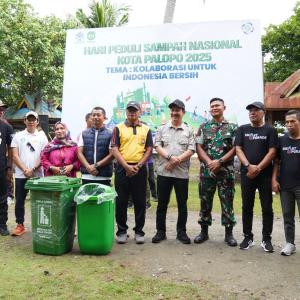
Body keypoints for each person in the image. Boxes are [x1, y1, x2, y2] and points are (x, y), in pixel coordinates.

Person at [194, 98, 238, 246]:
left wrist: (219, 162)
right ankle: (204, 232)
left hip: (226, 173)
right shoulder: (203, 126)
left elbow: (235, 148)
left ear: (224, 107)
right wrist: (209, 162)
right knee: (205, 202)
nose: (214, 108)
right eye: (212, 106)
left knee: (227, 202)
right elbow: (199, 147)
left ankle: (229, 234)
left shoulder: (232, 127)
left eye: (217, 105)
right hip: (207, 173)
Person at [235, 101, 278, 252]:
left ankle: (266, 239)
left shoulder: (270, 130)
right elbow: (238, 149)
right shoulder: (242, 129)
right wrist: (248, 166)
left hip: (264, 175)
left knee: (267, 207)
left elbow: (272, 152)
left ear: (263, 112)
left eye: (256, 110)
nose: (252, 113)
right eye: (250, 111)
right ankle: (248, 237)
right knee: (247, 206)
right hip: (247, 175)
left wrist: (258, 168)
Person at [152, 99, 195, 244]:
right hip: (164, 172)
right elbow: (157, 146)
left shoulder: (189, 130)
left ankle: (181, 233)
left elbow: (191, 149)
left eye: (178, 110)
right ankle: (160, 232)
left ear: (183, 112)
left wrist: (176, 161)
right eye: (172, 110)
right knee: (162, 204)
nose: (174, 113)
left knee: (182, 204)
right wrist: (170, 158)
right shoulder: (161, 129)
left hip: (181, 174)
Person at [111, 101, 153, 244]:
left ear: (140, 112)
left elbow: (149, 149)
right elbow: (115, 148)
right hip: (122, 169)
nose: (132, 113)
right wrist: (126, 166)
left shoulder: (146, 129)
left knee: (140, 201)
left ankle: (139, 231)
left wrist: (139, 165)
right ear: (126, 112)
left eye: (134, 110)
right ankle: (122, 231)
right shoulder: (118, 128)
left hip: (140, 169)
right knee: (121, 201)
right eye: (129, 110)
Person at [11, 111, 48, 236]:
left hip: (37, 174)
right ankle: (20, 224)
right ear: (24, 121)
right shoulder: (18, 136)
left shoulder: (42, 137)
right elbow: (14, 155)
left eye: (34, 119)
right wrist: (25, 169)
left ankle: (40, 225)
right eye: (29, 119)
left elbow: (44, 155)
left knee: (40, 201)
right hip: (21, 175)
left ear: (37, 121)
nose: (31, 121)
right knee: (20, 200)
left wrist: (32, 169)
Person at [272, 110, 300, 256]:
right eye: (287, 122)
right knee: (288, 216)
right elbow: (277, 162)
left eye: (292, 121)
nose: (289, 124)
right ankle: (290, 243)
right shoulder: (282, 140)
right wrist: (274, 179)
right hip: (285, 185)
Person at [77, 107, 113, 186]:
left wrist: (96, 165)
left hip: (104, 176)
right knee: (87, 198)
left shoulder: (111, 134)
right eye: (93, 115)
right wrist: (88, 167)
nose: (96, 117)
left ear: (104, 117)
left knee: (103, 198)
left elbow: (112, 154)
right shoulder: (84, 133)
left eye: (98, 115)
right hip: (87, 175)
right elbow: (79, 153)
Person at [0, 100, 13, 236]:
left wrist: (9, 168)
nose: (1, 111)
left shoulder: (6, 127)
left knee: (2, 197)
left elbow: (11, 149)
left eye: (1, 109)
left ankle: (2, 224)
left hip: (1, 168)